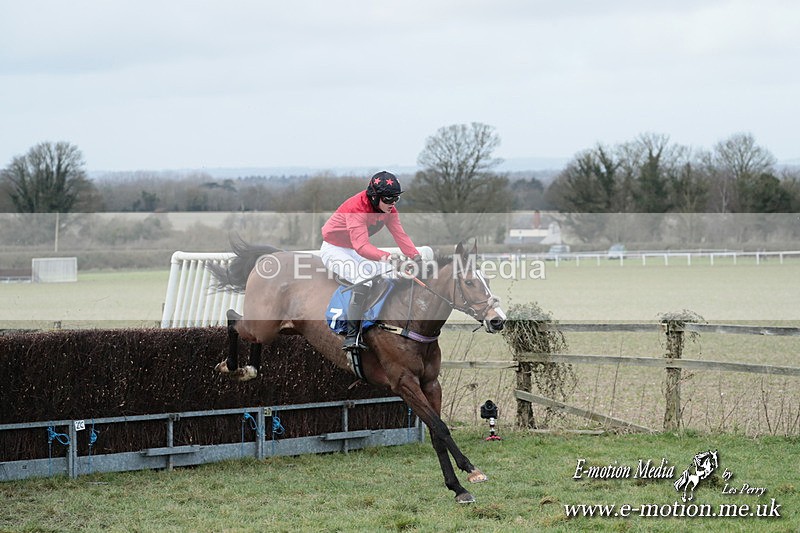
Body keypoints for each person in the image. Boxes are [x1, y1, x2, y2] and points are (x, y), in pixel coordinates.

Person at [321, 171, 421, 352]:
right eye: (389, 199)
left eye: (396, 198)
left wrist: (416, 257)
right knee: (363, 279)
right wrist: (390, 257)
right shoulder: (356, 208)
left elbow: (400, 235)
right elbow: (362, 247)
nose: (393, 203)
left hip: (352, 249)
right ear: (374, 197)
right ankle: (352, 336)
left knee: (392, 273)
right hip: (334, 249)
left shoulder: (389, 210)